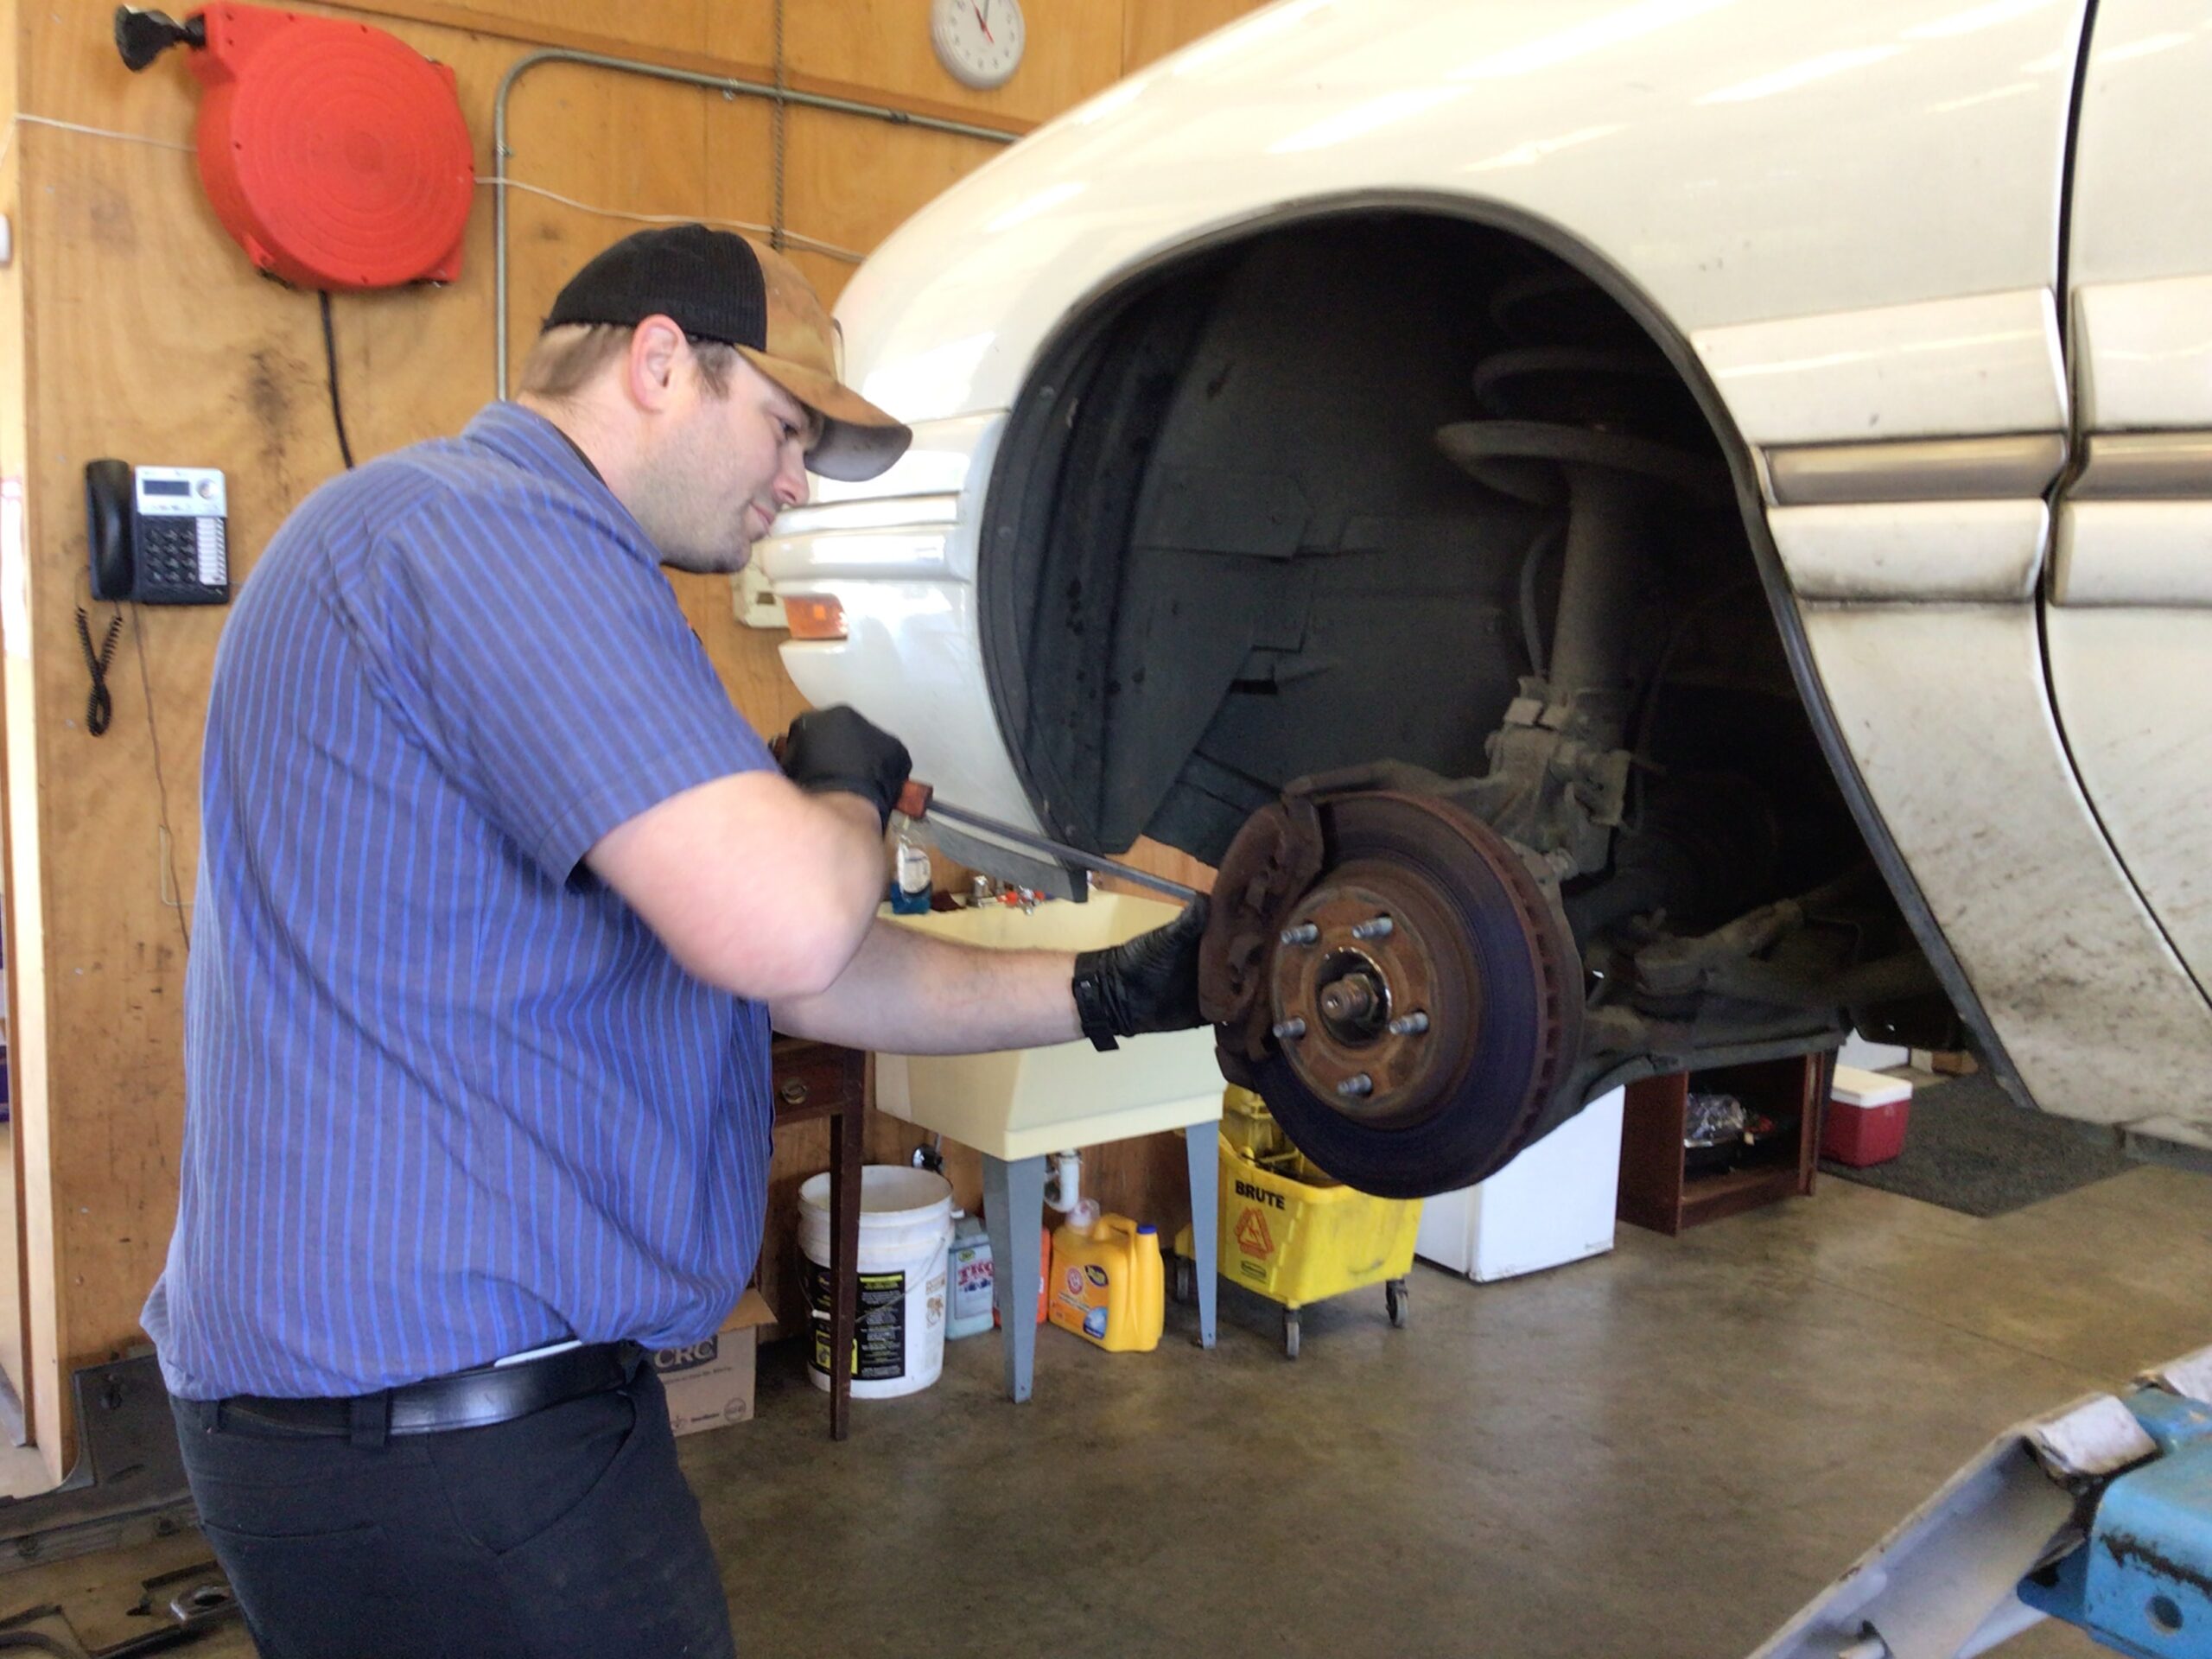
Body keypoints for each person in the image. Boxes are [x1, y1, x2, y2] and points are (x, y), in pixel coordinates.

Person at [143, 224, 1210, 1659]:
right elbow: (786, 919)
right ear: (659, 364)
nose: (793, 484)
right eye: (785, 429)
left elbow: (812, 965)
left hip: (416, 1431)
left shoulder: (465, 548)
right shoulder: (489, 531)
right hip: (438, 1442)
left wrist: (1108, 991)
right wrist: (841, 784)